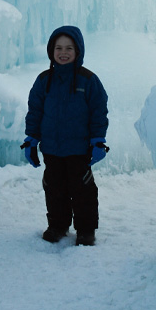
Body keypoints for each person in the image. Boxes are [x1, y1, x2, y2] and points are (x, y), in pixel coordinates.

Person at [21, 25, 108, 245]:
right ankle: (57, 226)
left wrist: (98, 140)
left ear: (78, 51)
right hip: (51, 148)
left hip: (79, 149)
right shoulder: (44, 80)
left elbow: (99, 111)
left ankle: (86, 230)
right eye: (58, 48)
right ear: (51, 51)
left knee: (83, 190)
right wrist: (32, 139)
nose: (63, 52)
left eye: (69, 48)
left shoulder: (88, 80)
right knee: (54, 189)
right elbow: (35, 111)